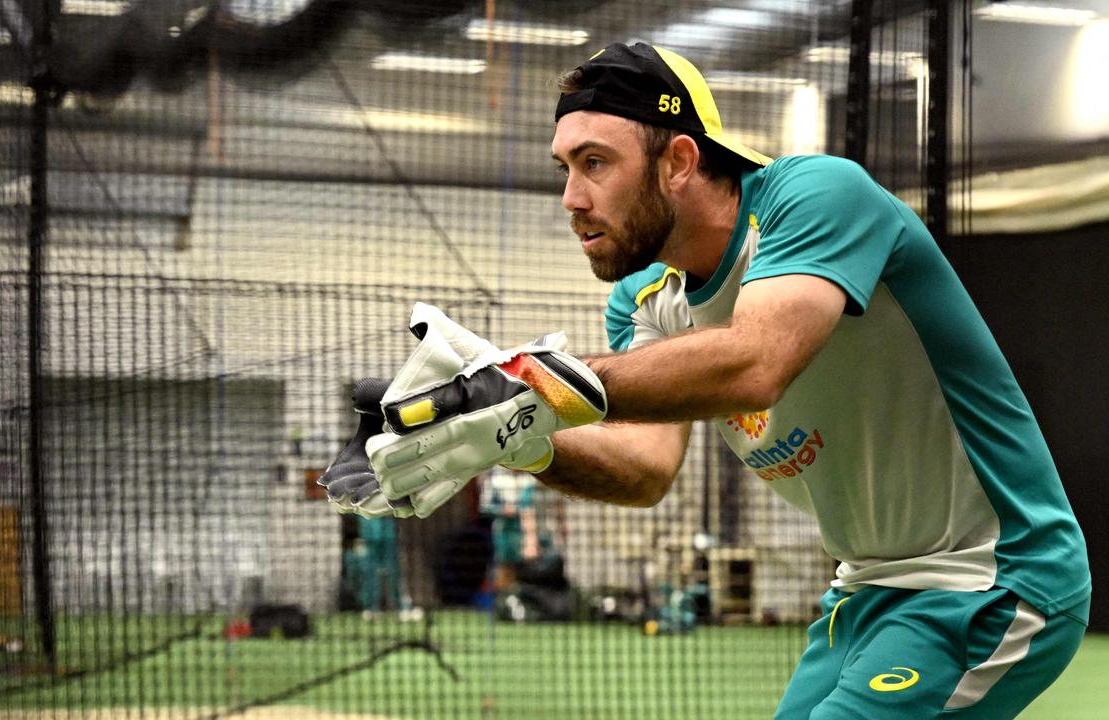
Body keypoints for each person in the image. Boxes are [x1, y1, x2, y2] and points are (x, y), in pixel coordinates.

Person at [323, 42, 1090, 719]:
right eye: (565, 168)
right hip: (866, 592)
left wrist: (529, 382)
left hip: (994, 578)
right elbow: (647, 469)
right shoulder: (643, 301)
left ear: (680, 163)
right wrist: (510, 441)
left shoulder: (815, 198)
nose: (571, 198)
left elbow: (757, 362)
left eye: (596, 163)